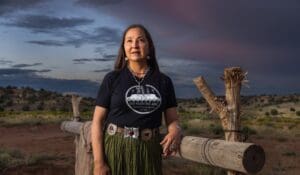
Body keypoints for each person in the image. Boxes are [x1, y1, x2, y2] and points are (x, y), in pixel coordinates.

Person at [91, 24, 182, 175]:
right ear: (124, 48)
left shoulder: (164, 81)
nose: (134, 45)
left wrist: (175, 130)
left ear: (149, 46)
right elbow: (97, 121)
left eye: (140, 40)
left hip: (149, 150)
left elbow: (172, 119)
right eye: (129, 41)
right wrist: (99, 163)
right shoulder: (112, 79)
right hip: (115, 147)